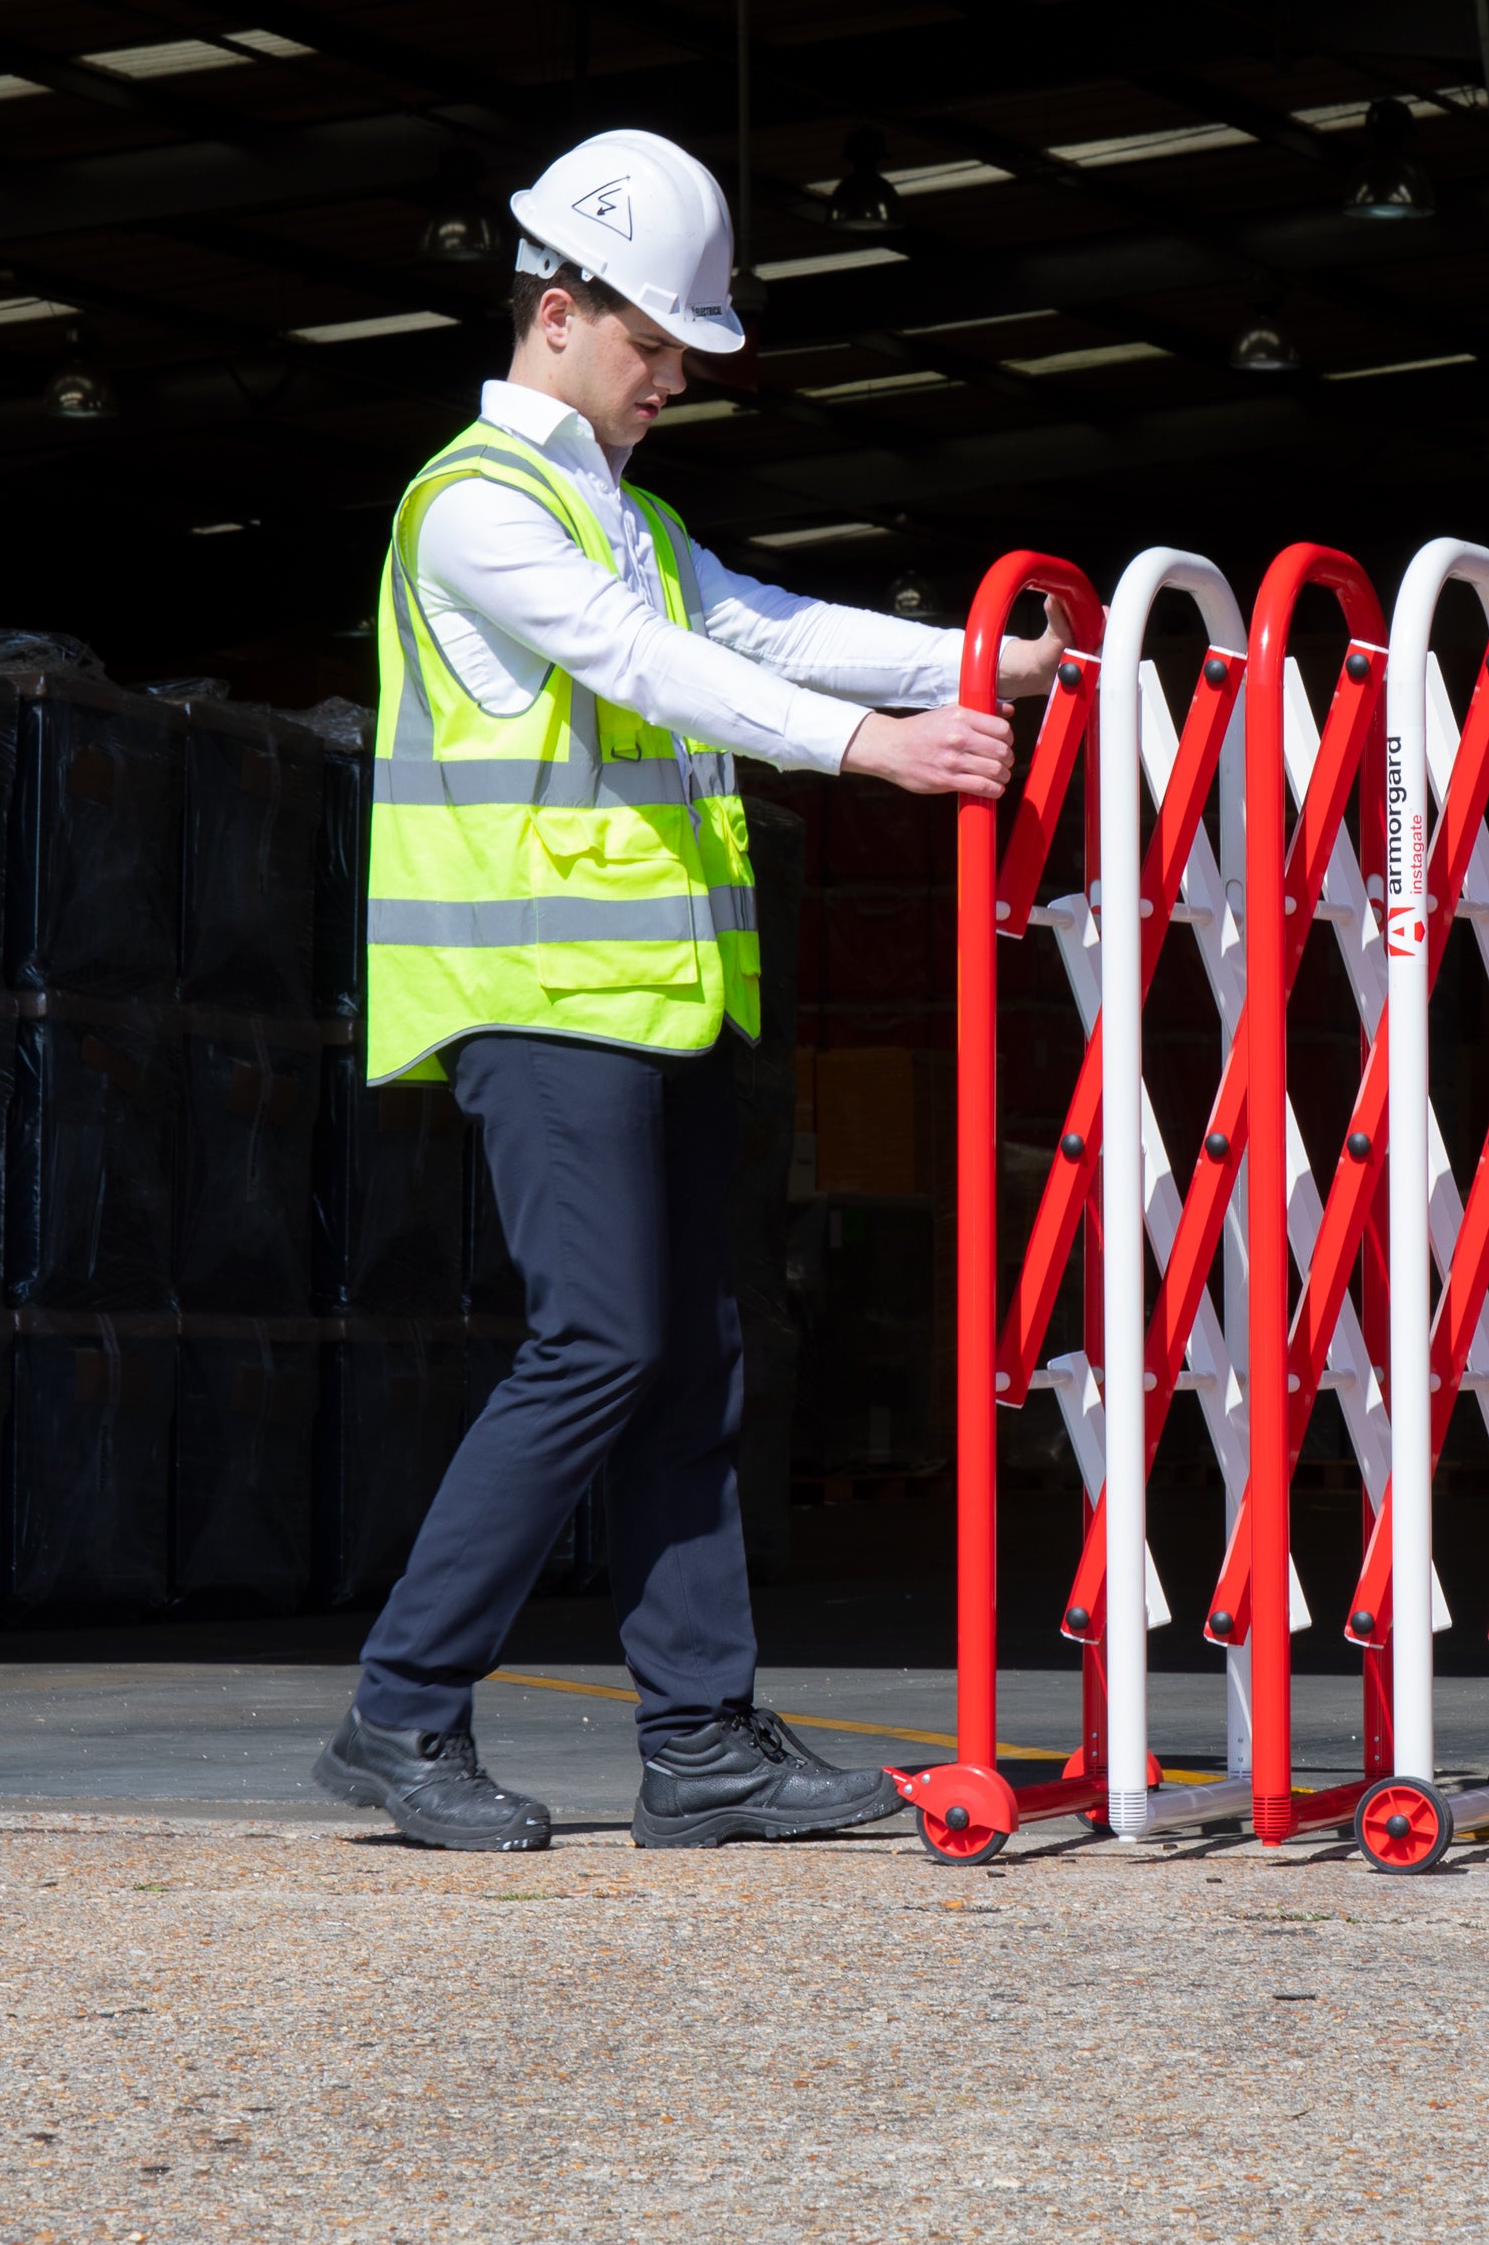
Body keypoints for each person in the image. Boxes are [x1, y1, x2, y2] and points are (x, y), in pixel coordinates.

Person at [313, 127, 1057, 1852]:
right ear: (557, 314)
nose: (670, 383)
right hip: (541, 1000)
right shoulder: (480, 509)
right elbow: (653, 665)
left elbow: (764, 627)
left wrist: (982, 659)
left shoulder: (622, 518)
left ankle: (702, 1743)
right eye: (654, 348)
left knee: (692, 1363)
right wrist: (880, 748)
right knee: (603, 1345)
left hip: (650, 1000)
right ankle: (399, 1714)